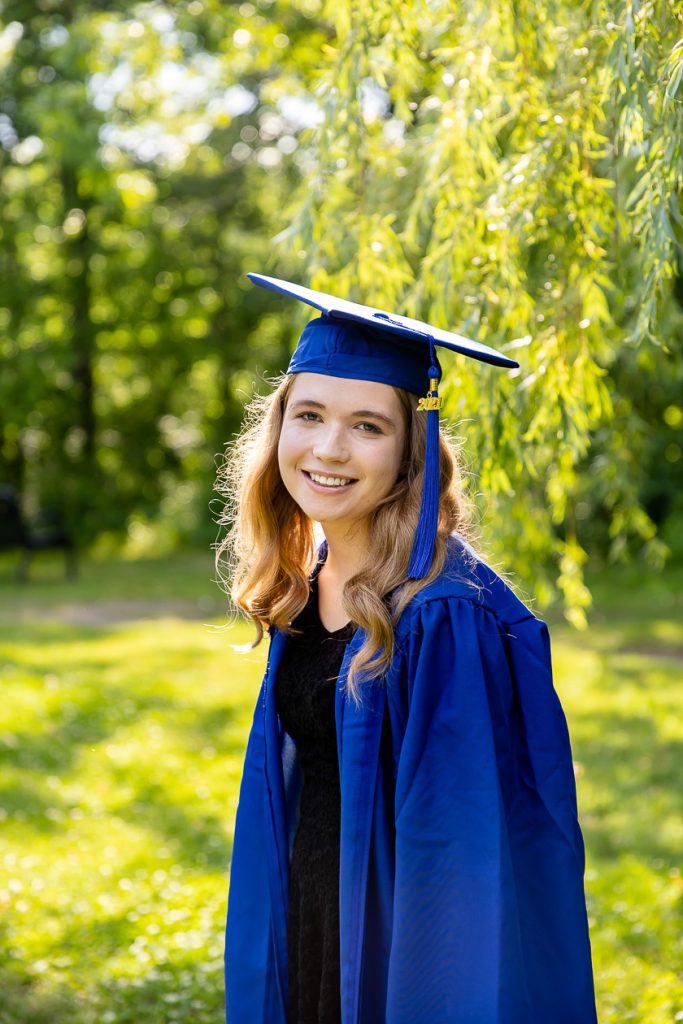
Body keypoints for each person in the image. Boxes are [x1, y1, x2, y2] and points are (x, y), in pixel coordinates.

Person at [216, 275, 598, 1024]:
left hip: (407, 949)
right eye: (310, 415)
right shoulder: (316, 575)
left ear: (409, 451)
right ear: (278, 428)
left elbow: (460, 852)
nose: (329, 448)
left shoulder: (444, 614)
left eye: (367, 426)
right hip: (318, 910)